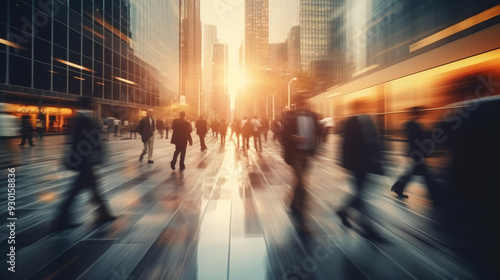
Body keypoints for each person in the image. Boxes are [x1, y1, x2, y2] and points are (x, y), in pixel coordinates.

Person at [54, 96, 116, 230]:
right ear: (89, 104)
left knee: (92, 188)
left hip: (84, 161)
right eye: (92, 103)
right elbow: (82, 141)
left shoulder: (82, 117)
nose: (94, 104)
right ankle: (60, 220)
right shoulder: (82, 119)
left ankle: (103, 213)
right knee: (77, 191)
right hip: (85, 162)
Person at [336, 101, 384, 239]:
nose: (367, 109)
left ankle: (343, 210)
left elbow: (374, 142)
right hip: (357, 165)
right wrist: (347, 165)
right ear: (358, 108)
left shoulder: (368, 120)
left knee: (360, 193)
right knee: (361, 195)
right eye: (364, 107)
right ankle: (368, 227)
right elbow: (347, 145)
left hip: (367, 163)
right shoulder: (351, 122)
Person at [281, 93, 320, 233]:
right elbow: (282, 134)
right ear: (296, 103)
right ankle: (302, 222)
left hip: (307, 154)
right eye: (300, 101)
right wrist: (293, 137)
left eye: (304, 101)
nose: (303, 103)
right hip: (295, 154)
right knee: (303, 186)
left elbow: (318, 133)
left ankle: (292, 204)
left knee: (299, 180)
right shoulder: (289, 115)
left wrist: (316, 150)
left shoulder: (313, 115)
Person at [391, 107, 442, 202]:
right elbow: (418, 139)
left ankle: (397, 187)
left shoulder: (411, 124)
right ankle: (435, 194)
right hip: (417, 152)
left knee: (414, 172)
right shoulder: (413, 124)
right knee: (424, 174)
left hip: (415, 151)